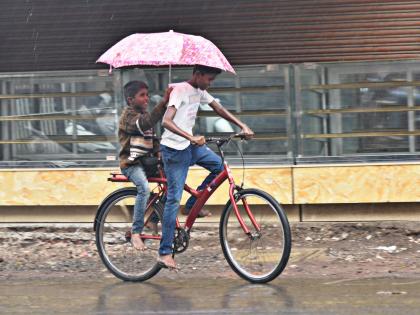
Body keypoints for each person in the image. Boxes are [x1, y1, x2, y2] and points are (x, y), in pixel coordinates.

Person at [158, 65, 254, 269]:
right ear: (197, 75)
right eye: (208, 79)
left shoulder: (199, 91)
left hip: (189, 147)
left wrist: (241, 126)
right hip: (174, 150)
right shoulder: (180, 90)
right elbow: (166, 121)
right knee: (173, 199)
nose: (210, 83)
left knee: (220, 167)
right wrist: (190, 136)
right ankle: (165, 252)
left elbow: (218, 108)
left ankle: (193, 204)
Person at [118, 80, 172, 250]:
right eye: (142, 95)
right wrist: (163, 103)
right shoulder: (128, 117)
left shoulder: (145, 114)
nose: (146, 98)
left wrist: (161, 155)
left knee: (173, 185)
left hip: (148, 163)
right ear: (130, 100)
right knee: (144, 188)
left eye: (147, 95)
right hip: (132, 164)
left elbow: (153, 140)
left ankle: (153, 220)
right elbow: (145, 124)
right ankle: (136, 232)